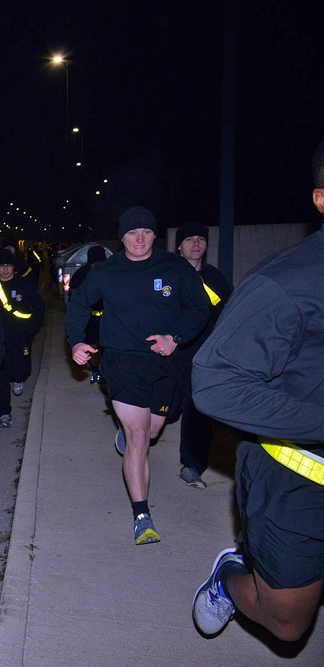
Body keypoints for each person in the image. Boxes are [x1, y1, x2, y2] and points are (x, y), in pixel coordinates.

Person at [190, 141, 324, 642]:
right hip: (298, 479)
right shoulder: (285, 286)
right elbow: (215, 382)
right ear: (320, 199)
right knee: (288, 624)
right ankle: (230, 577)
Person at [66, 206, 209, 545]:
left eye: (146, 232)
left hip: (165, 363)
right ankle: (142, 516)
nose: (140, 238)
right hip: (122, 362)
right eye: (132, 233)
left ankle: (131, 432)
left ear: (154, 235)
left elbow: (200, 307)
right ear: (122, 237)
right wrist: (76, 343)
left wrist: (174, 338)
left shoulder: (174, 268)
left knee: (155, 429)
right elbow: (79, 304)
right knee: (140, 439)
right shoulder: (107, 271)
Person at [172, 223, 231, 489]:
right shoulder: (168, 276)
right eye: (189, 239)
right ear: (179, 246)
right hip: (171, 351)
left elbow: (228, 316)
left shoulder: (215, 278)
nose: (196, 244)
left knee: (197, 409)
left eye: (200, 239)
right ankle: (133, 428)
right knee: (166, 405)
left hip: (203, 354)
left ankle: (192, 465)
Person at [0, 249, 45, 427]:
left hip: (21, 336)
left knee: (21, 368)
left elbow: (39, 306)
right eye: (1, 266)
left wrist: (31, 328)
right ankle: (5, 412)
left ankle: (18, 378)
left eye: (8, 266)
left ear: (14, 267)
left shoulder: (24, 284)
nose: (5, 270)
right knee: (0, 375)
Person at [67, 245, 108, 385]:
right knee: (93, 346)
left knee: (110, 348)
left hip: (109, 317)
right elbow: (72, 291)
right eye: (94, 264)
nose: (96, 267)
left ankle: (109, 374)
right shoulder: (82, 273)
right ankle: (96, 372)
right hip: (90, 317)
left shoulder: (112, 272)